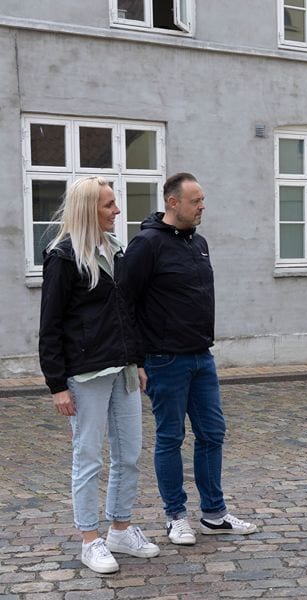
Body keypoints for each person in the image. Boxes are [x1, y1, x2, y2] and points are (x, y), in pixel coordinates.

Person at [121, 172, 256, 546]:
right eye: (195, 201)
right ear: (172, 203)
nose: (202, 207)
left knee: (213, 434)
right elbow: (124, 303)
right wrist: (137, 360)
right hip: (164, 360)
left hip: (201, 357)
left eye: (203, 200)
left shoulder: (200, 244)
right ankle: (175, 516)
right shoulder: (146, 245)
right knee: (170, 437)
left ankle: (214, 513)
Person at [39, 176, 160, 574]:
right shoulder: (62, 256)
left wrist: (138, 360)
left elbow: (128, 312)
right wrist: (57, 384)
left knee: (129, 454)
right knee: (87, 457)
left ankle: (121, 529)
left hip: (123, 367)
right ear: (89, 209)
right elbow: (50, 324)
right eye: (109, 205)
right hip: (85, 373)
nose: (117, 211)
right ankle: (89, 539)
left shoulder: (116, 250)